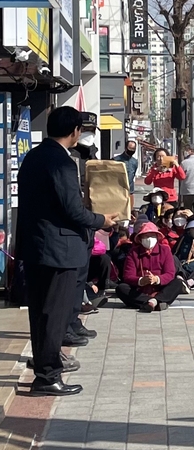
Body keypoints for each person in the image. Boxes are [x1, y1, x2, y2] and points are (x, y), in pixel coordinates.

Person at [16, 106, 118, 396]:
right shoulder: (61, 162)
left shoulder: (34, 157)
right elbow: (72, 209)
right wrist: (102, 220)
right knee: (53, 315)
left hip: (36, 246)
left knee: (40, 313)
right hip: (58, 250)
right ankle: (48, 376)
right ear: (75, 132)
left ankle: (44, 367)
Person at [116, 222, 185, 311]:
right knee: (121, 288)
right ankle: (155, 302)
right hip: (140, 291)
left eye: (152, 236)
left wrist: (157, 279)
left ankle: (153, 302)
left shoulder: (165, 250)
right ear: (140, 239)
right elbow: (128, 276)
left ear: (157, 237)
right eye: (146, 236)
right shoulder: (133, 252)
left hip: (161, 289)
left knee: (178, 283)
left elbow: (170, 273)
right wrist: (141, 280)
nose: (149, 239)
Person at [113, 139, 140, 206]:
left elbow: (133, 174)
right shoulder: (116, 160)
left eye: (133, 149)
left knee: (130, 210)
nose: (131, 150)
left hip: (130, 190)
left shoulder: (135, 161)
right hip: (118, 190)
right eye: (130, 148)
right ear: (125, 148)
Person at [179, 147, 194, 213]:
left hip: (187, 190)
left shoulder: (184, 163)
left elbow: (180, 176)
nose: (185, 152)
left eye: (186, 150)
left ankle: (189, 223)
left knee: (187, 211)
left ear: (191, 151)